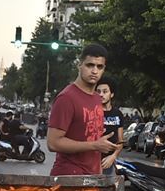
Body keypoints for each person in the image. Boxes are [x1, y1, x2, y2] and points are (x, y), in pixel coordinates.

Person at [47, 44, 117, 176]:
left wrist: (99, 172)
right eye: (90, 65)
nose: (95, 71)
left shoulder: (97, 98)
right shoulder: (66, 98)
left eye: (99, 66)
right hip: (69, 178)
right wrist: (94, 145)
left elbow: (94, 140)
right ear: (79, 65)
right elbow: (53, 143)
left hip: (92, 178)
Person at [95, 76, 127, 175]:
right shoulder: (92, 112)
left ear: (111, 94)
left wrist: (113, 156)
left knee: (107, 189)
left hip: (109, 162)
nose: (101, 95)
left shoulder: (118, 114)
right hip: (92, 160)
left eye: (105, 91)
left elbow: (120, 141)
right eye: (98, 91)